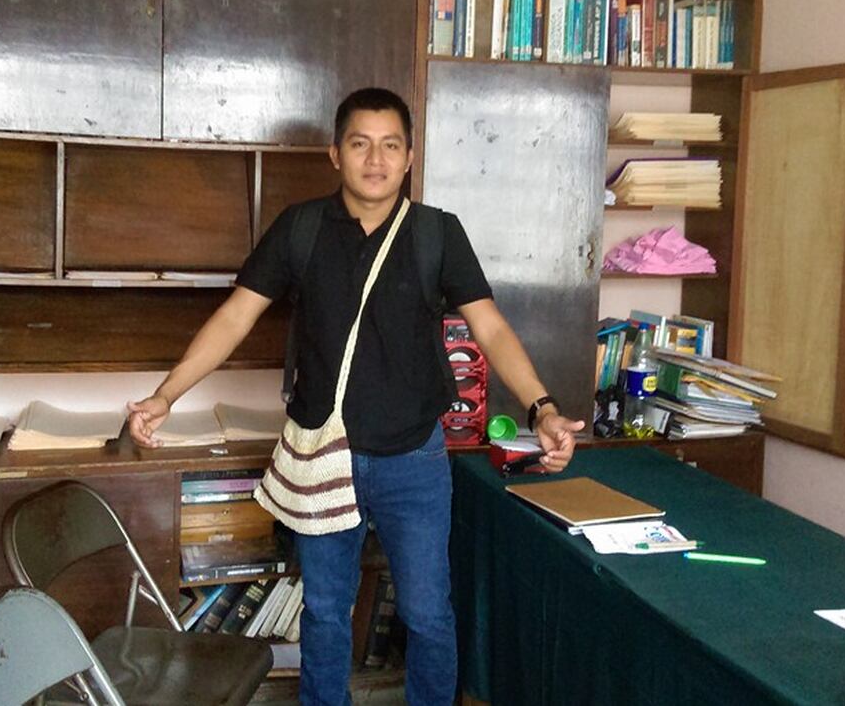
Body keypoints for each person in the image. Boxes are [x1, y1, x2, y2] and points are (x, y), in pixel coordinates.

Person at [128, 87, 583, 706]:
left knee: (427, 613)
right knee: (324, 611)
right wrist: (166, 396)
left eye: (390, 146)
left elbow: (491, 328)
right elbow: (235, 317)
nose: (376, 159)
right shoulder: (301, 228)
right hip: (322, 455)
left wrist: (542, 408)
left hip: (414, 458)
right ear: (335, 153)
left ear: (410, 156)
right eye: (360, 144)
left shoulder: (436, 233)